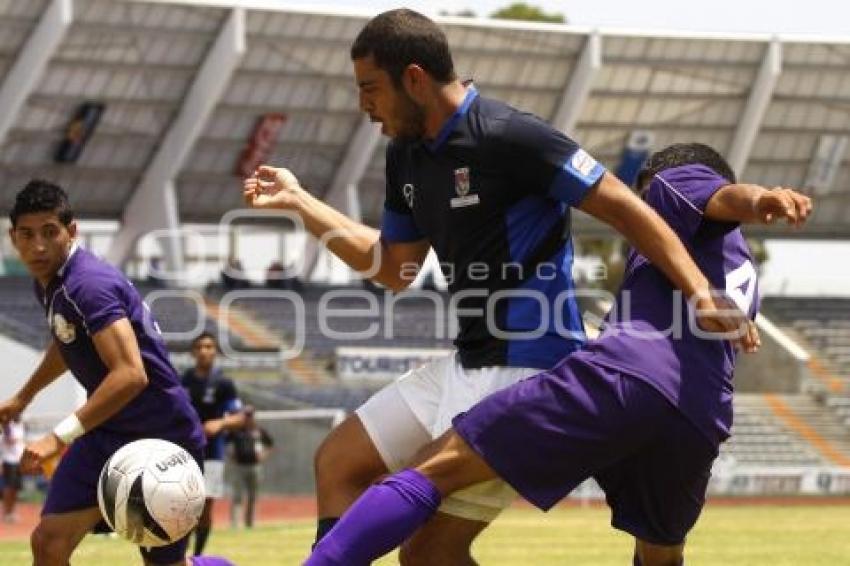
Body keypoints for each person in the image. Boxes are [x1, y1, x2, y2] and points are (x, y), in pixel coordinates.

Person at [243, 10, 746, 563]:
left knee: (427, 555)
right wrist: (300, 202)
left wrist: (699, 290)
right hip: (467, 361)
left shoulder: (511, 135)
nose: (364, 107)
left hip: (527, 366)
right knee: (339, 461)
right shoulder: (406, 154)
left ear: (413, 79)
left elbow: (625, 208)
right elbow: (394, 269)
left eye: (370, 89)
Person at [305, 143, 814, 565]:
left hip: (627, 378)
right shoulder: (737, 261)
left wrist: (760, 197)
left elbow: (726, 196)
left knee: (432, 473)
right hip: (701, 418)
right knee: (661, 556)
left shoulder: (678, 180)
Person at [0, 179, 234, 566]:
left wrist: (57, 439)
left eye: (49, 232)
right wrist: (25, 396)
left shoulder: (88, 285)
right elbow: (67, 338)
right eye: (27, 234)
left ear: (71, 231)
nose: (37, 246)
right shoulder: (51, 284)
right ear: (13, 237)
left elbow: (131, 375)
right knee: (49, 542)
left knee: (164, 564)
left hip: (161, 438)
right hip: (106, 432)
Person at [182, 332, 244, 556]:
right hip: (184, 452)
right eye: (199, 347)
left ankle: (197, 555)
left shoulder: (223, 383)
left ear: (215, 351)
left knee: (205, 505)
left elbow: (239, 418)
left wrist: (220, 423)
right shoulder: (183, 381)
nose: (204, 351)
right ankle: (179, 553)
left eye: (208, 347)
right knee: (183, 504)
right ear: (193, 352)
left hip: (212, 452)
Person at [227, 406, 274, 529]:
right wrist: (231, 455)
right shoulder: (236, 431)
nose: (248, 418)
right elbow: (227, 443)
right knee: (237, 495)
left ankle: (250, 523)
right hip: (239, 466)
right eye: (246, 415)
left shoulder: (258, 431)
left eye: (250, 415)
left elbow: (270, 444)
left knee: (253, 495)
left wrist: (263, 455)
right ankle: (235, 524)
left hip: (254, 466)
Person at [2, 416, 25, 523]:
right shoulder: (8, 425)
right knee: (9, 487)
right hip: (9, 460)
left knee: (15, 488)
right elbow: (8, 439)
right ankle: (6, 512)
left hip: (19, 460)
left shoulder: (20, 425)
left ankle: (11, 511)